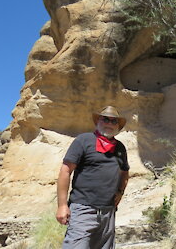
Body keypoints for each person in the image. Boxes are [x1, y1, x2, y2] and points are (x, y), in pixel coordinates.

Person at [56, 106, 130, 249]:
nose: (109, 123)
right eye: (105, 119)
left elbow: (124, 172)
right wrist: (62, 205)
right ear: (98, 121)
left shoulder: (120, 148)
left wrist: (120, 192)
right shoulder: (83, 140)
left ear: (118, 126)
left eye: (114, 121)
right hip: (83, 209)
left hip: (108, 212)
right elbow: (65, 171)